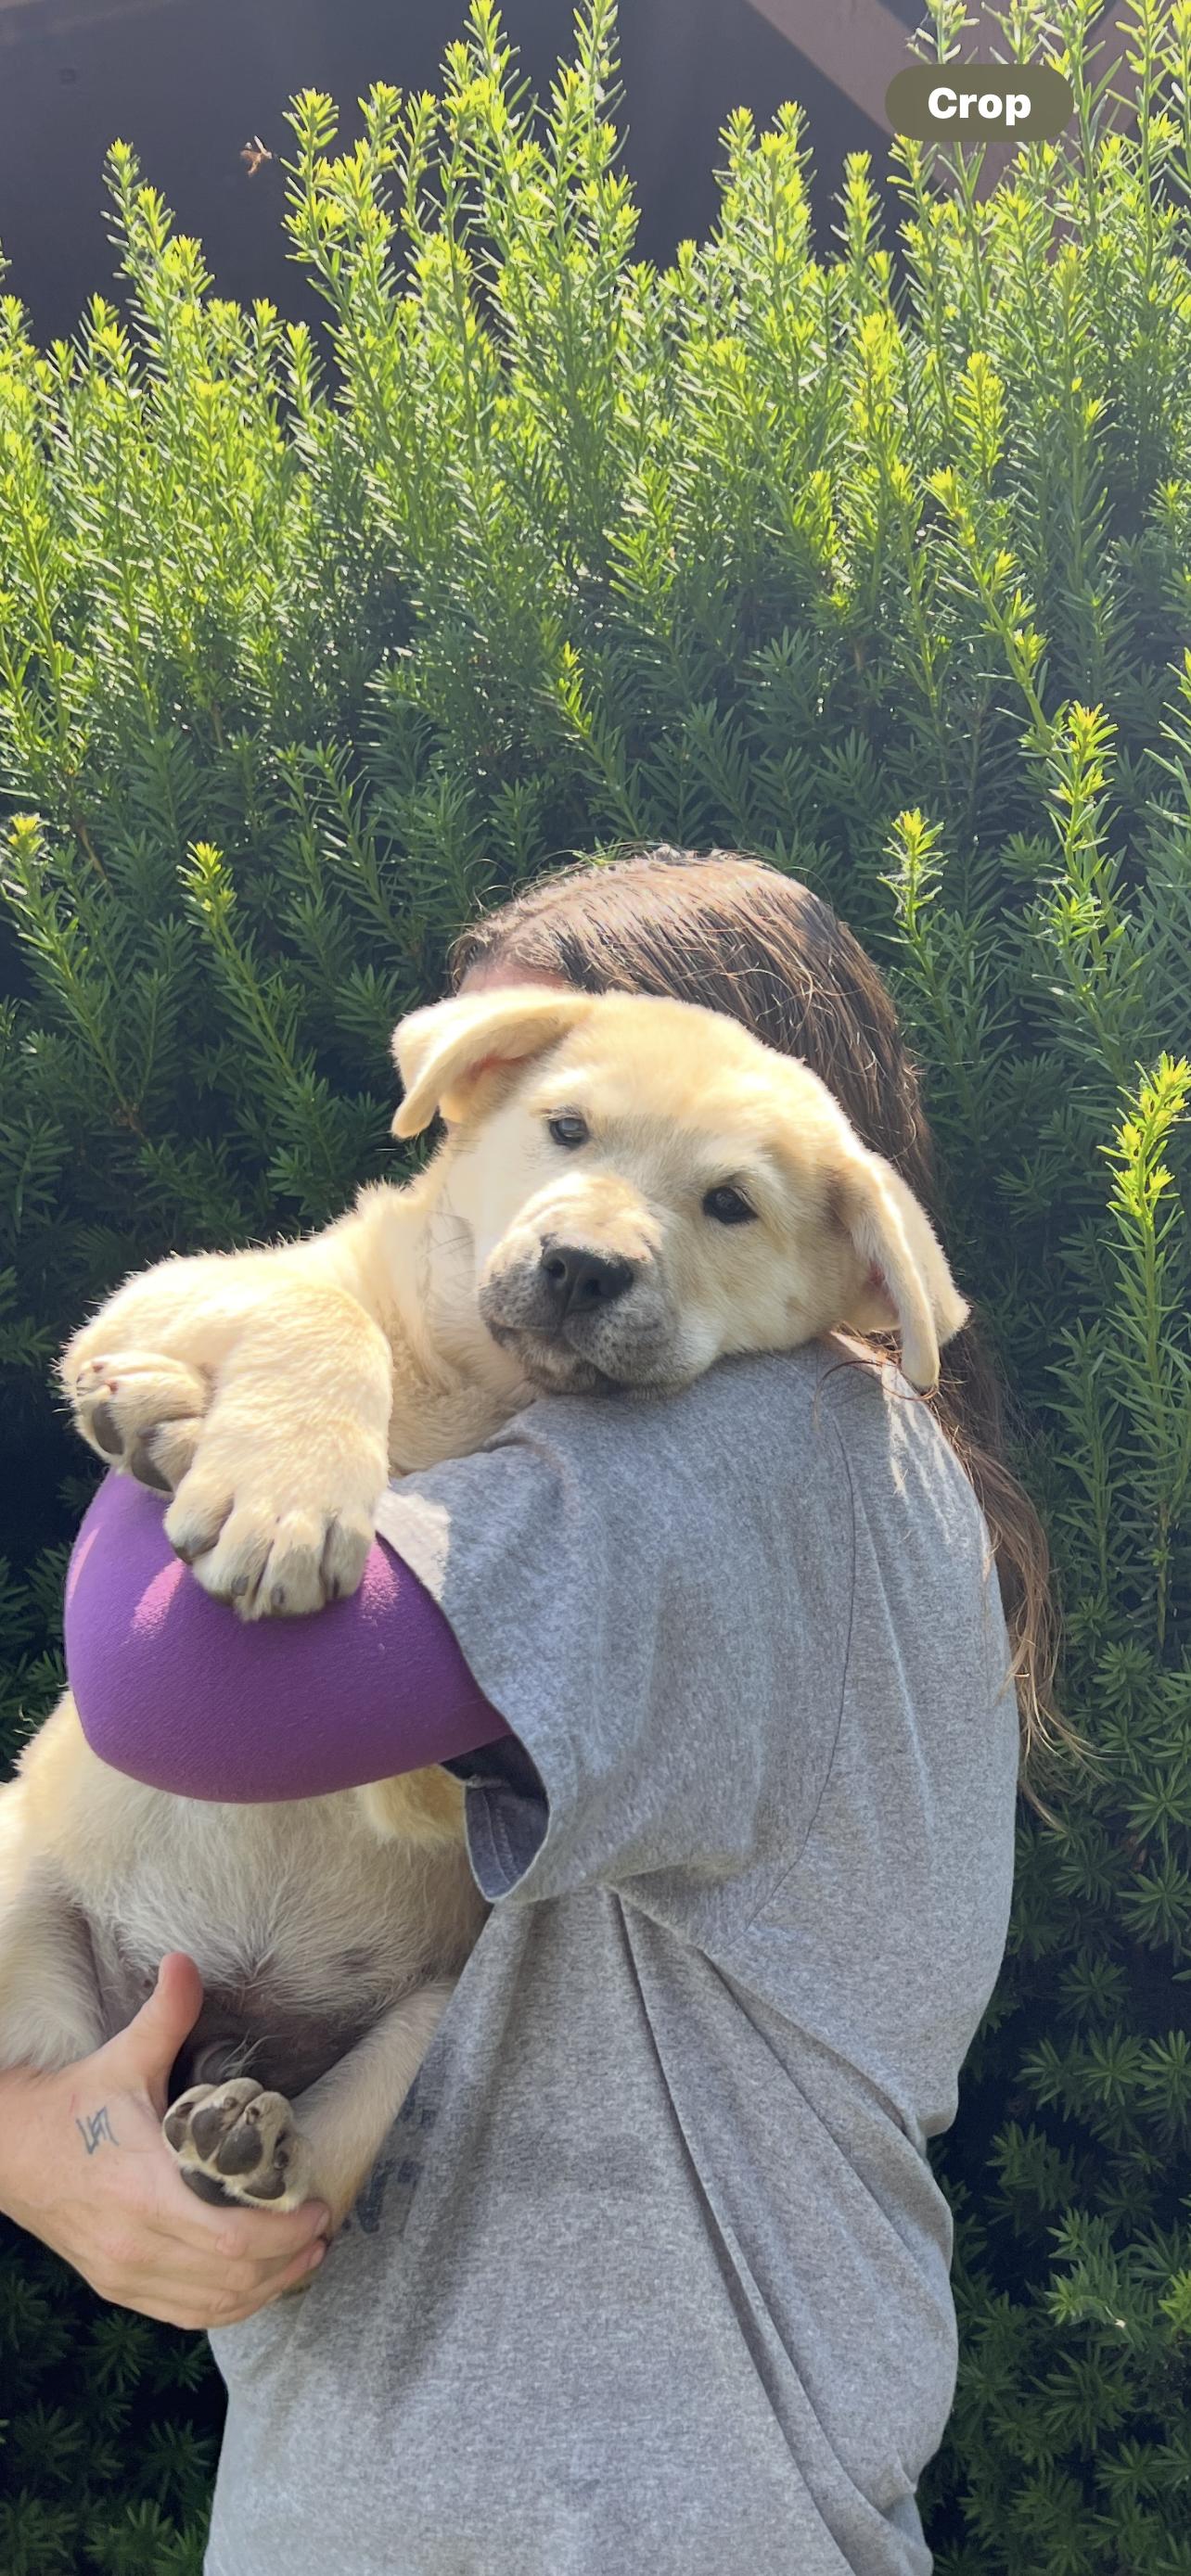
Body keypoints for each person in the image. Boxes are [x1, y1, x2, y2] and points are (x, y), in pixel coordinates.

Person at [0, 849, 1063, 2576]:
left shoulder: (759, 1447)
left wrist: (271, 1371)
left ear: (849, 1270)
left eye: (724, 1200)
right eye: (553, 1127)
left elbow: (176, 1681)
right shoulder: (815, 1472)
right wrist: (36, 2135)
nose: (594, 1234)